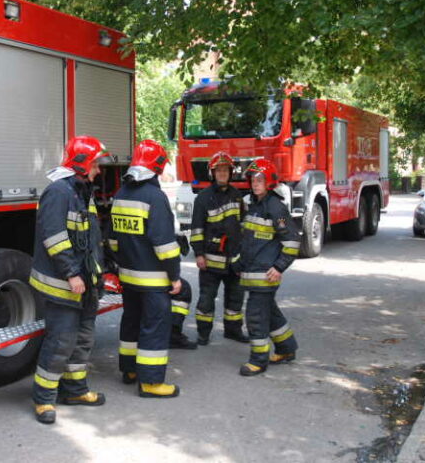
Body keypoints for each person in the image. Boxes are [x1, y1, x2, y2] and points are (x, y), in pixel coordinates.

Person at [29, 135, 112, 424]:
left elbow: (90, 240)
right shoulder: (58, 192)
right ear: (82, 164)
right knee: (61, 340)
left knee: (83, 339)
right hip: (64, 284)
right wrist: (72, 274)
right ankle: (43, 399)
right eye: (95, 164)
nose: (98, 170)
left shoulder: (81, 191)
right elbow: (54, 238)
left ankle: (75, 390)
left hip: (84, 284)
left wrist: (98, 276)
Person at [109, 139, 183, 398]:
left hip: (128, 276)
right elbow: (165, 246)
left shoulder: (120, 194)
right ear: (158, 167)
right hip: (153, 280)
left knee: (131, 321)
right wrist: (174, 276)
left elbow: (113, 240)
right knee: (154, 326)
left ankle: (129, 370)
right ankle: (151, 382)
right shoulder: (155, 197)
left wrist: (124, 263)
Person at [233, 158, 299, 376]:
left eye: (260, 179)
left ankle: (259, 360)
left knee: (255, 316)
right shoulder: (252, 204)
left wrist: (279, 267)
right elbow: (249, 240)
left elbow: (292, 242)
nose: (255, 183)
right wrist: (239, 263)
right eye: (253, 179)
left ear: (269, 181)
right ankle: (287, 348)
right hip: (253, 272)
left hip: (266, 275)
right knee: (269, 312)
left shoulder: (275, 207)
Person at [190, 151, 248, 345]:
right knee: (206, 299)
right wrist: (199, 254)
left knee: (235, 298)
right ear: (212, 173)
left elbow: (242, 224)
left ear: (231, 173)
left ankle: (233, 330)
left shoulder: (237, 195)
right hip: (211, 258)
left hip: (234, 259)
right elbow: (197, 229)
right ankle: (203, 333)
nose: (223, 173)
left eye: (226, 170)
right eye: (219, 170)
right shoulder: (203, 198)